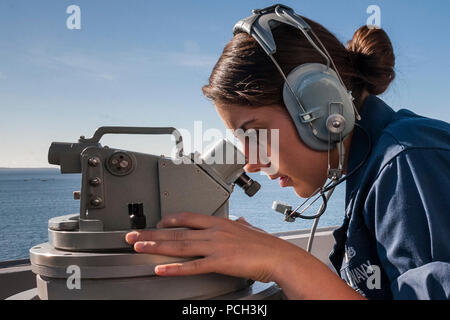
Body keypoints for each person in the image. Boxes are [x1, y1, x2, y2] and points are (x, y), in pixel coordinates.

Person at [124, 11, 450, 300]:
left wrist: (284, 262)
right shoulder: (371, 170)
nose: (251, 163)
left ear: (319, 107)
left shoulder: (408, 159)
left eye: (254, 133)